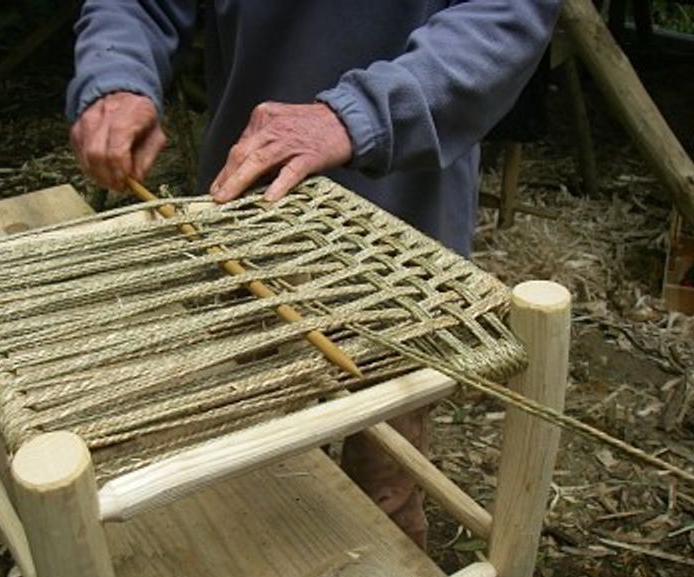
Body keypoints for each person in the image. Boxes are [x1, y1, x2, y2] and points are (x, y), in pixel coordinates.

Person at [67, 1, 561, 548]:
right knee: (244, 472)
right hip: (245, 221)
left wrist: (358, 115)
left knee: (381, 496)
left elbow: (505, 17)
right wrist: (116, 76)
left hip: (400, 248)